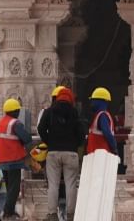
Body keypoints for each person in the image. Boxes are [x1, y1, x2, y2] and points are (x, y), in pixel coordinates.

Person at [38, 85, 84, 221]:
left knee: (53, 184)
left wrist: (49, 141)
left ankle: (52, 214)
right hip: (71, 153)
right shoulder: (75, 112)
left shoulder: (50, 111)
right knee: (71, 184)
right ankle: (70, 214)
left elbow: (41, 128)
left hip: (53, 152)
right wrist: (76, 145)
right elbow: (81, 133)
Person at [0, 98, 33, 220]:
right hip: (14, 160)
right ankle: (8, 212)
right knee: (14, 188)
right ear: (15, 111)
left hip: (2, 160)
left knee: (9, 186)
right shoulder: (15, 123)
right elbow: (26, 138)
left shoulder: (0, 123)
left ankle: (8, 211)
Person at [86, 87, 118, 155]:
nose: (92, 103)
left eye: (94, 100)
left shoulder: (102, 115)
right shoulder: (99, 116)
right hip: (96, 155)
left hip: (101, 156)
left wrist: (114, 147)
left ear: (101, 101)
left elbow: (107, 132)